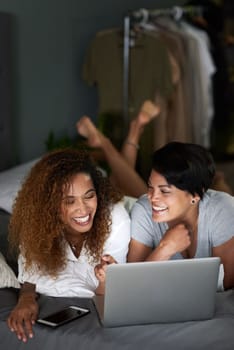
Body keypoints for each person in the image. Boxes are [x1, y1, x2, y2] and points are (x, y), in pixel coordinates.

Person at [7, 148, 130, 342]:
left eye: (89, 196)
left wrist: (105, 280)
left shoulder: (115, 219)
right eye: (69, 201)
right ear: (50, 206)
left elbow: (109, 295)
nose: (83, 209)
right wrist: (26, 298)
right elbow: (29, 273)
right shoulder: (36, 223)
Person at [127, 141, 234, 290]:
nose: (152, 197)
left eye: (164, 191)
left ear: (195, 195)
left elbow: (227, 283)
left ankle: (220, 181)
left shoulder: (221, 209)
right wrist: (164, 248)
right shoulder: (143, 211)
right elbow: (131, 285)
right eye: (150, 187)